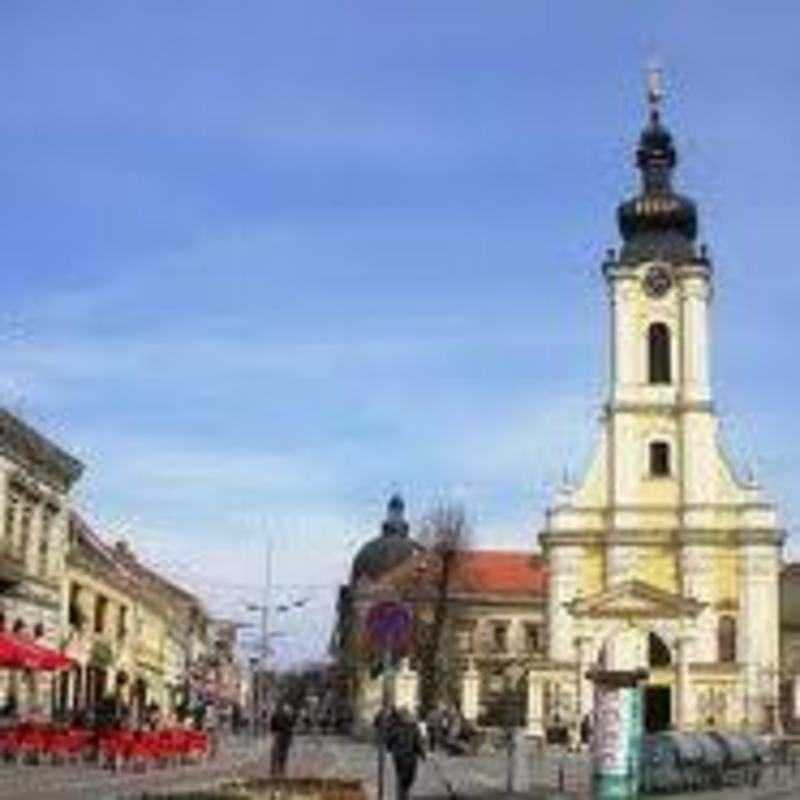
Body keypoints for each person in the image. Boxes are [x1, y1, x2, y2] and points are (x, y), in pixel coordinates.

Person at [386, 707, 426, 800]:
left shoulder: (413, 726)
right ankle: (402, 796)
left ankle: (403, 794)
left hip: (406, 755)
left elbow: (417, 742)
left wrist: (422, 753)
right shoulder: (396, 726)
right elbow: (389, 740)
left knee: (406, 778)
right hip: (403, 756)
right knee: (404, 778)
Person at [269, 702, 296, 777]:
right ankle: (278, 769)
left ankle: (276, 769)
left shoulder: (280, 715)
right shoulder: (286, 716)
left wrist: (273, 733)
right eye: (287, 709)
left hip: (281, 735)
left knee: (278, 752)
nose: (288, 710)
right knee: (279, 752)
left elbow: (272, 726)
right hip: (282, 735)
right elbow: (290, 727)